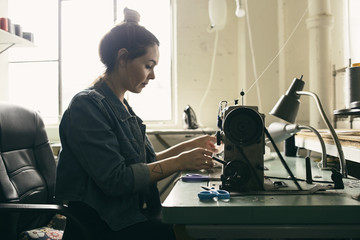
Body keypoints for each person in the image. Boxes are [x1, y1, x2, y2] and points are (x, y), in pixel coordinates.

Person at [55, 8, 217, 240]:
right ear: (122, 58)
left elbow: (144, 165)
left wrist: (188, 149)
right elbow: (117, 180)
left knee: (197, 226)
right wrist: (180, 161)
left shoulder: (121, 106)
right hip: (102, 226)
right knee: (194, 232)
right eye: (148, 65)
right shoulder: (87, 106)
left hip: (128, 215)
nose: (152, 76)